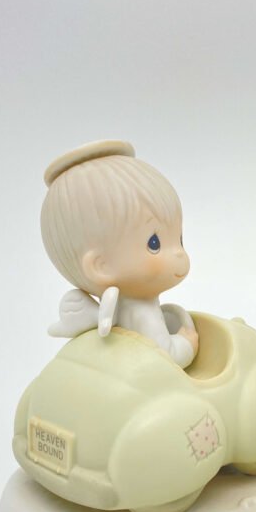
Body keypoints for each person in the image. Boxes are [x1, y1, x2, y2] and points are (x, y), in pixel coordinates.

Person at [41, 140, 198, 368]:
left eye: (179, 239)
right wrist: (187, 344)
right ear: (101, 266)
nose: (179, 254)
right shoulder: (143, 313)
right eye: (154, 243)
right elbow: (167, 358)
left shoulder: (113, 313)